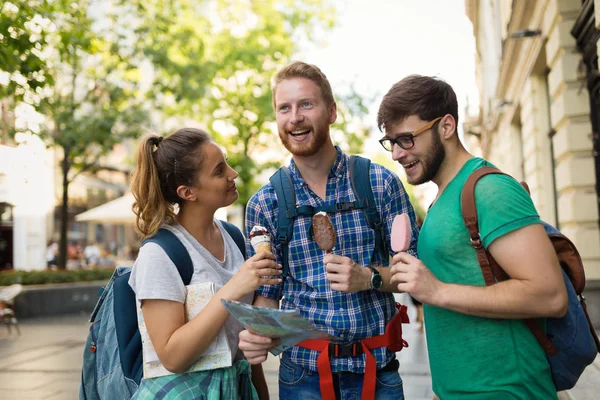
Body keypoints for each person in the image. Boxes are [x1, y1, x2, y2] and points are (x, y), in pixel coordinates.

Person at [378, 75, 568, 399]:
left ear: (446, 126)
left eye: (406, 139)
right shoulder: (441, 198)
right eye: (391, 142)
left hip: (506, 390)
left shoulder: (489, 188)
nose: (396, 153)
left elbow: (550, 296)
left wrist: (437, 291)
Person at [238, 61, 420, 400]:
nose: (295, 117)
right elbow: (268, 293)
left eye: (306, 104)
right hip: (302, 377)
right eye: (284, 108)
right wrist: (258, 334)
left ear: (332, 111)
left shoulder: (378, 184)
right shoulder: (264, 205)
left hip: (376, 371)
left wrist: (369, 277)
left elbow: (416, 272)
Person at [127, 128, 281, 399]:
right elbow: (172, 357)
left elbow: (241, 346)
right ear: (188, 192)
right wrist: (233, 288)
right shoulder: (159, 254)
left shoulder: (233, 237)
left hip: (238, 387)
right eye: (219, 171)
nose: (233, 174)